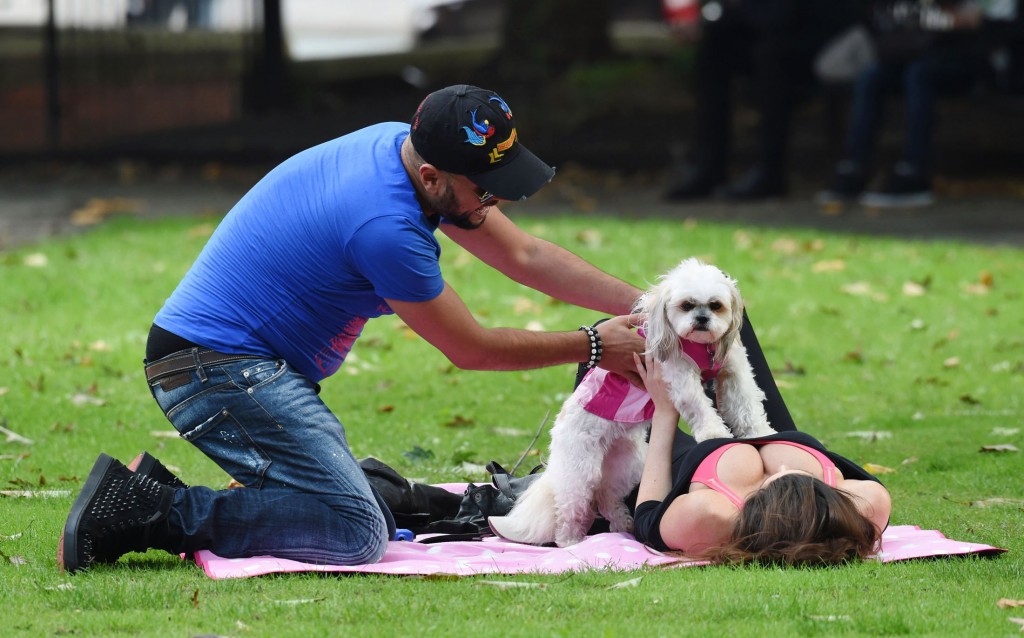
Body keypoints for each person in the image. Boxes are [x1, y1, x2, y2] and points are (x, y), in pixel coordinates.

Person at [56, 84, 648, 573]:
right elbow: (471, 349)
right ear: (435, 177)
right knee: (355, 530)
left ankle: (157, 486)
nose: (493, 202)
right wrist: (595, 344)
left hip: (237, 365)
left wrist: (652, 304)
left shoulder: (406, 153)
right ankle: (146, 510)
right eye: (484, 188)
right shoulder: (385, 225)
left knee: (352, 511)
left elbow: (526, 257)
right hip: (215, 371)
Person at [631, 342, 892, 565]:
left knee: (621, 354)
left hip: (682, 458)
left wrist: (664, 411)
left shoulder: (711, 515)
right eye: (802, 477)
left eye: (779, 478)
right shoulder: (866, 504)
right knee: (722, 303)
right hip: (765, 430)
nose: (782, 469)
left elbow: (647, 516)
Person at [664, 0, 861, 201]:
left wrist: (736, 6)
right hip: (776, 33)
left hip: (828, 40)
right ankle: (709, 167)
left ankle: (770, 172)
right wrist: (704, 23)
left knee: (772, 56)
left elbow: (780, 17)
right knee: (714, 48)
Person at [817, 0, 987, 207]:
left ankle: (914, 170)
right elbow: (886, 17)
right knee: (871, 78)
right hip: (910, 56)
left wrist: (923, 17)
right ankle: (855, 167)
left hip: (959, 60)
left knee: (918, 75)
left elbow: (972, 20)